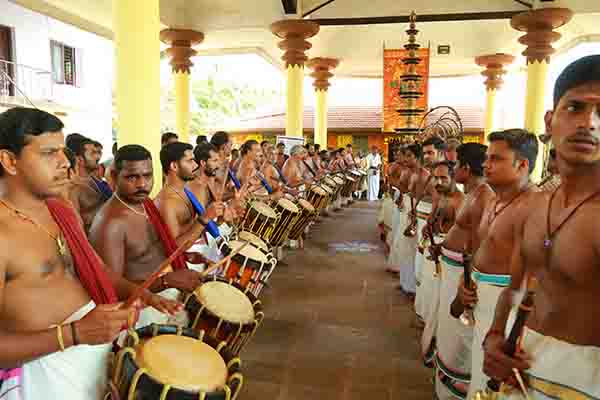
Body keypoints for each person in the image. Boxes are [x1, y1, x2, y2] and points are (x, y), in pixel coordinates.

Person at [0, 108, 176, 400]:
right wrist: (74, 334)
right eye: (48, 153)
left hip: (93, 357)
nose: (64, 162)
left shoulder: (60, 210)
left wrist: (141, 294)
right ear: (9, 161)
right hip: (46, 377)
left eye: (63, 150)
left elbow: (95, 268)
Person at [483, 55, 600, 400]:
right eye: (574, 107)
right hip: (523, 364)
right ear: (550, 121)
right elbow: (515, 288)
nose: (588, 123)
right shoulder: (536, 206)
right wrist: (494, 336)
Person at [456, 129, 538, 400]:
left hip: (508, 306)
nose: (486, 164)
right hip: (483, 296)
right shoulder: (496, 200)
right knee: (478, 374)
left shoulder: (535, 207)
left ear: (522, 164)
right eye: (487, 158)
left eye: (496, 159)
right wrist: (466, 282)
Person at [89, 145, 202, 328]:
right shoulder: (111, 224)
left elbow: (150, 250)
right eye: (132, 177)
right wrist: (166, 281)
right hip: (142, 315)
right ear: (115, 177)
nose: (142, 184)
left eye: (147, 175)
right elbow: (112, 289)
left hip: (165, 297)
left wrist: (181, 256)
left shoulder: (145, 204)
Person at [435, 143, 494, 400]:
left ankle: (455, 393)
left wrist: (467, 284)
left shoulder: (483, 197)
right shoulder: (472, 193)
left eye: (456, 164)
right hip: (453, 270)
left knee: (460, 338)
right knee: (449, 335)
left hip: (463, 276)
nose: (454, 169)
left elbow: (480, 247)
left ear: (466, 169)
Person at [420, 160, 465, 367]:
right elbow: (433, 218)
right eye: (435, 177)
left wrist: (442, 248)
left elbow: (463, 240)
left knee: (444, 310)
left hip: (451, 262)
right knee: (433, 302)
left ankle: (439, 351)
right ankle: (432, 345)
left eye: (443, 178)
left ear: (454, 177)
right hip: (436, 253)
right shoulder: (441, 196)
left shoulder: (461, 202)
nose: (438, 182)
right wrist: (426, 227)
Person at [412, 136, 446, 324]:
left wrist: (432, 221)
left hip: (437, 229)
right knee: (424, 271)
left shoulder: (444, 175)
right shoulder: (431, 173)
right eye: (424, 152)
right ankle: (425, 314)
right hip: (428, 223)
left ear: (440, 153)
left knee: (430, 273)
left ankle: (430, 318)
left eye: (430, 152)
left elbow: (441, 201)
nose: (426, 156)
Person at [66, 134, 112, 233]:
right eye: (92, 153)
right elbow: (77, 227)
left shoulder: (95, 181)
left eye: (97, 152)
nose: (98, 156)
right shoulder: (73, 189)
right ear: (80, 159)